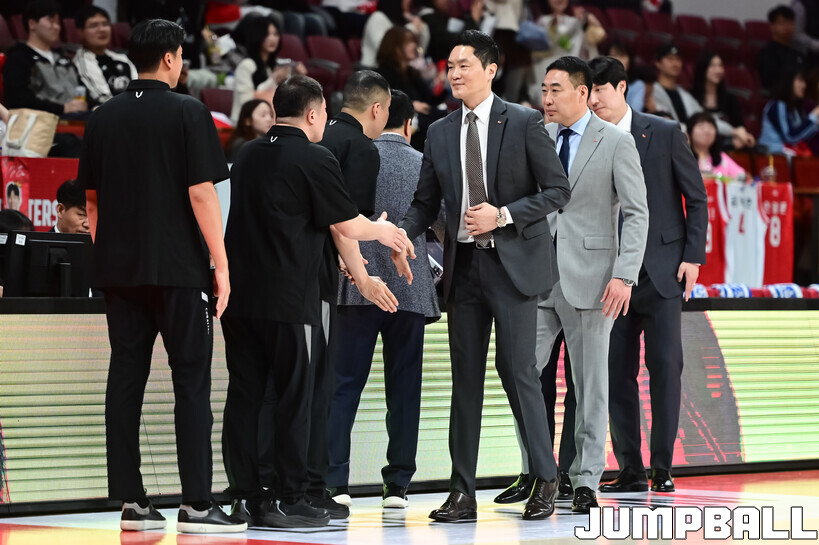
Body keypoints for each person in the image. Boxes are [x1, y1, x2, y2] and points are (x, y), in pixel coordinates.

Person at [392, 30, 572, 522]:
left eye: (463, 65)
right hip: (464, 270)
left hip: (513, 268)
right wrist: (402, 234)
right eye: (450, 66)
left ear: (491, 70)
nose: (454, 73)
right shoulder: (440, 131)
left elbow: (558, 190)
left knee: (519, 373)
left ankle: (546, 477)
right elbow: (425, 202)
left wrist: (503, 215)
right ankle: (462, 493)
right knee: (465, 381)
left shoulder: (525, 121)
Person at [76, 18, 246, 534]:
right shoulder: (189, 111)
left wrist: (111, 255)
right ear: (171, 58)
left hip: (119, 272)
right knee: (191, 382)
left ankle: (132, 502)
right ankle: (196, 504)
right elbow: (201, 194)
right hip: (179, 270)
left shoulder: (102, 117)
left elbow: (91, 202)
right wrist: (221, 263)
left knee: (125, 378)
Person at [221, 75, 409, 528]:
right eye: (324, 111)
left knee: (244, 396)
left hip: (241, 298)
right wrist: (384, 231)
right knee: (295, 397)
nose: (327, 118)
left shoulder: (245, 154)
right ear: (312, 113)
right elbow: (345, 224)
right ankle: (289, 497)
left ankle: (246, 495)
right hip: (290, 298)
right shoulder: (314, 156)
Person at [587, 56, 707, 495]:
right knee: (616, 373)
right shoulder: (587, 137)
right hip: (609, 276)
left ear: (622, 88)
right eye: (588, 91)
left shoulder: (664, 131)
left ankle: (662, 467)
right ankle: (630, 469)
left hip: (662, 271)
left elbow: (696, 198)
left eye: (600, 90)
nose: (593, 100)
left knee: (666, 369)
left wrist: (693, 256)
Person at [537, 55, 648, 513]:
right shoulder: (537, 135)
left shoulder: (617, 141)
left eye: (555, 89)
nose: (546, 98)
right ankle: (538, 472)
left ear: (582, 93)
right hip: (537, 277)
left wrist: (624, 275)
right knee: (521, 373)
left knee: (590, 384)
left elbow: (637, 213)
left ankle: (585, 478)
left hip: (595, 278)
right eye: (543, 90)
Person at [326, 90, 440, 510]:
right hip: (409, 289)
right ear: (409, 124)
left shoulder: (353, 154)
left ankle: (335, 482)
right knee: (404, 389)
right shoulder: (422, 162)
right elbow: (441, 223)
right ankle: (397, 485)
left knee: (343, 387)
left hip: (355, 286)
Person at [313, 70, 392, 519]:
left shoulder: (318, 137)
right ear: (377, 108)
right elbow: (346, 222)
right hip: (319, 280)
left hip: (291, 268)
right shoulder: (362, 148)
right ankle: (321, 482)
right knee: (324, 383)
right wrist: (362, 271)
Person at [2, 0, 89, 117]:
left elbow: (83, 88)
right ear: (32, 24)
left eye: (58, 22)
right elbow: (19, 100)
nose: (57, 27)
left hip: (79, 116)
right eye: (51, 21)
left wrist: (94, 106)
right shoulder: (19, 58)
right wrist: (62, 108)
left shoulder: (64, 58)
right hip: (45, 121)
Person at [229, 15, 306, 123]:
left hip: (269, 123)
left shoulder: (275, 65)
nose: (273, 39)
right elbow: (247, 103)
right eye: (267, 34)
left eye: (276, 34)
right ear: (257, 36)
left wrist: (297, 75)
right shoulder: (246, 66)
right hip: (246, 124)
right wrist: (273, 80)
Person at [528, 0, 606, 104]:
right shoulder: (542, 22)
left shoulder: (577, 20)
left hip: (572, 73)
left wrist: (588, 17)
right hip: (544, 72)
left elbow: (599, 36)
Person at [72, 5, 138, 105]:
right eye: (93, 25)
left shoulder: (122, 58)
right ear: (80, 32)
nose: (102, 29)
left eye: (105, 24)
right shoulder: (80, 62)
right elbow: (102, 98)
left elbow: (139, 89)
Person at [691, 52, 755, 149]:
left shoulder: (730, 99)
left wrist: (744, 136)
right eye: (712, 65)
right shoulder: (691, 96)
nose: (718, 70)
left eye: (720, 65)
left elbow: (739, 126)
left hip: (727, 147)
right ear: (702, 68)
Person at [759, 68, 819, 155]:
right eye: (800, 81)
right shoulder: (777, 105)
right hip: (772, 155)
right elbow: (790, 137)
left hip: (790, 155)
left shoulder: (796, 107)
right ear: (788, 81)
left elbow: (802, 135)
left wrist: (815, 123)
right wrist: (814, 115)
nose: (804, 85)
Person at [360, 0, 430, 68]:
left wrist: (422, 28)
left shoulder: (400, 20)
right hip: (374, 70)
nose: (409, 1)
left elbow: (420, 51)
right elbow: (386, 50)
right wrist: (411, 28)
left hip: (398, 70)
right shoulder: (378, 17)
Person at [757, 6, 809, 94]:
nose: (787, 27)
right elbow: (771, 81)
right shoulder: (768, 53)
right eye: (782, 23)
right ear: (772, 26)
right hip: (779, 95)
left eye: (791, 23)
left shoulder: (799, 54)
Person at [652, 43, 703, 131]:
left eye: (678, 59)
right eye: (670, 59)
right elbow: (664, 121)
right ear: (658, 63)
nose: (675, 63)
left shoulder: (684, 93)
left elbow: (702, 116)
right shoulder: (652, 91)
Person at [688, 112, 748, 180]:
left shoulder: (721, 157)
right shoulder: (684, 158)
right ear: (689, 133)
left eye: (710, 127)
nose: (707, 131)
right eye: (701, 127)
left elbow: (743, 177)